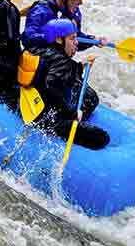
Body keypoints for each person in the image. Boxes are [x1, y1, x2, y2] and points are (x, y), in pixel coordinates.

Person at [18, 18, 109, 149]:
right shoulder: (62, 62)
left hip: (29, 104)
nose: (76, 43)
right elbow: (52, 86)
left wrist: (80, 66)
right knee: (102, 137)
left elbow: (55, 69)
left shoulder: (36, 50)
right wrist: (72, 113)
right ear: (59, 40)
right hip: (49, 120)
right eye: (72, 39)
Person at [21, 0, 107, 51]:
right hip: (40, 60)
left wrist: (92, 40)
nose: (81, 3)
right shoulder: (40, 11)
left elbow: (75, 40)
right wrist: (52, 38)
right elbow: (27, 39)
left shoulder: (74, 12)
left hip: (58, 60)